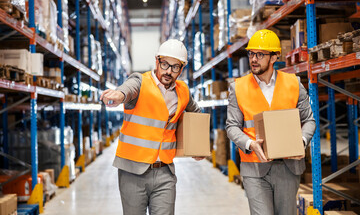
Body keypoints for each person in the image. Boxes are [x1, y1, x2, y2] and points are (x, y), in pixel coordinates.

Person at [100, 39, 203, 215]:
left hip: (165, 172)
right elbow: (127, 89)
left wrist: (197, 145)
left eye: (175, 67)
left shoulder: (183, 91)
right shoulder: (140, 81)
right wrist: (118, 95)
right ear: (157, 61)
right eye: (164, 64)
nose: (168, 71)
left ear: (182, 69)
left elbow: (197, 115)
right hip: (133, 171)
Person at [225, 29, 316, 215]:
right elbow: (232, 127)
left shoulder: (293, 83)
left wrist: (302, 142)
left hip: (288, 168)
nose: (253, 59)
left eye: (260, 54)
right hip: (254, 167)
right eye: (251, 53)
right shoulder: (238, 88)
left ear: (274, 57)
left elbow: (309, 121)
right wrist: (250, 144)